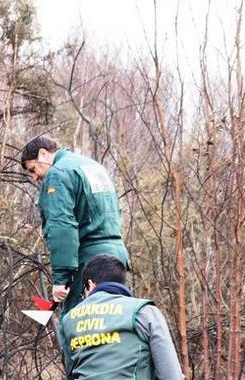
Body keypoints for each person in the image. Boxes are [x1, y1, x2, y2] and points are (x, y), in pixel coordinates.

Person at [21, 136, 129, 315]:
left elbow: (61, 226)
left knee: (77, 323)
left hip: (89, 262)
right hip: (117, 259)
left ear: (43, 154)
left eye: (33, 169)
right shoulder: (94, 167)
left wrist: (61, 279)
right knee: (114, 321)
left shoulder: (57, 173)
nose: (34, 177)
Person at [60, 255, 184, 379]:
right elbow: (171, 374)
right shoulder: (143, 311)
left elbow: (71, 372)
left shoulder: (68, 319)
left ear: (90, 284)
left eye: (83, 292)